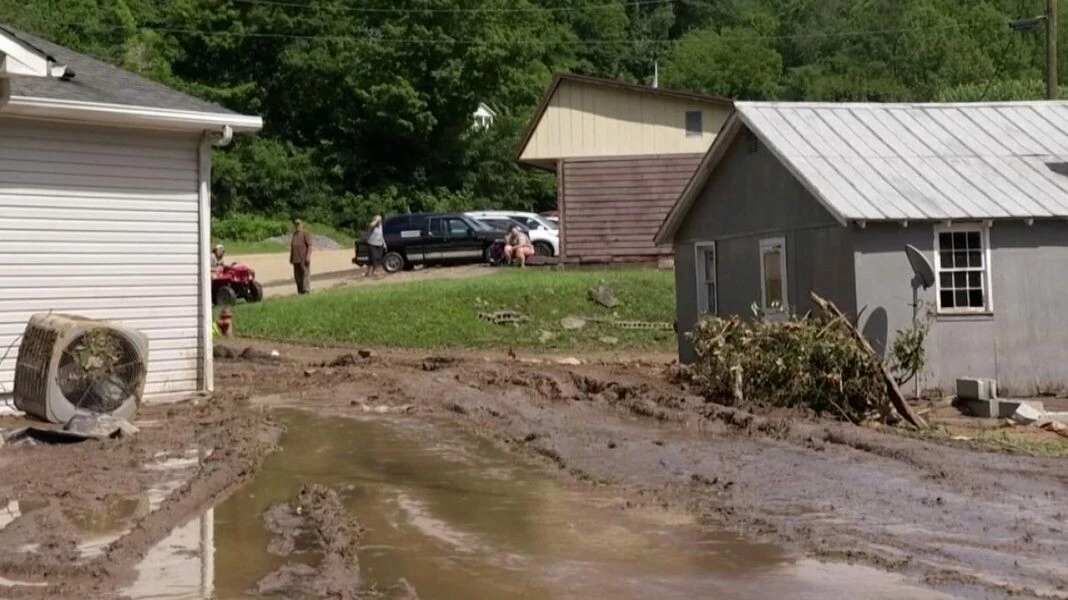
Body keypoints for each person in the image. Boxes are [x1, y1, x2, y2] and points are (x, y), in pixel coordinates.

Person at [289, 219, 313, 294]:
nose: (297, 226)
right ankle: (300, 291)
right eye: (296, 224)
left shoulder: (305, 233)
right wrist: (291, 257)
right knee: (297, 277)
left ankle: (306, 290)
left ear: (302, 224)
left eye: (299, 224)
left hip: (303, 258)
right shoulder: (294, 234)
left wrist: (308, 256)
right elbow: (292, 247)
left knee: (305, 274)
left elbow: (310, 245)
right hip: (296, 259)